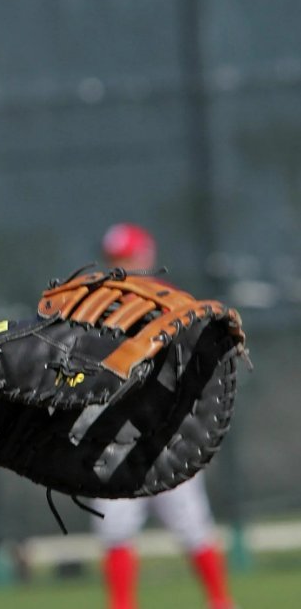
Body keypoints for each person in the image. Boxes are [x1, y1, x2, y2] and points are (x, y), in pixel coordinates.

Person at [92, 223, 238, 609]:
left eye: (129, 257)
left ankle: (221, 601)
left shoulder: (174, 302)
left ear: (147, 256)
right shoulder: (92, 306)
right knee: (115, 528)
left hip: (168, 432)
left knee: (193, 524)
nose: (122, 266)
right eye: (116, 260)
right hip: (116, 434)